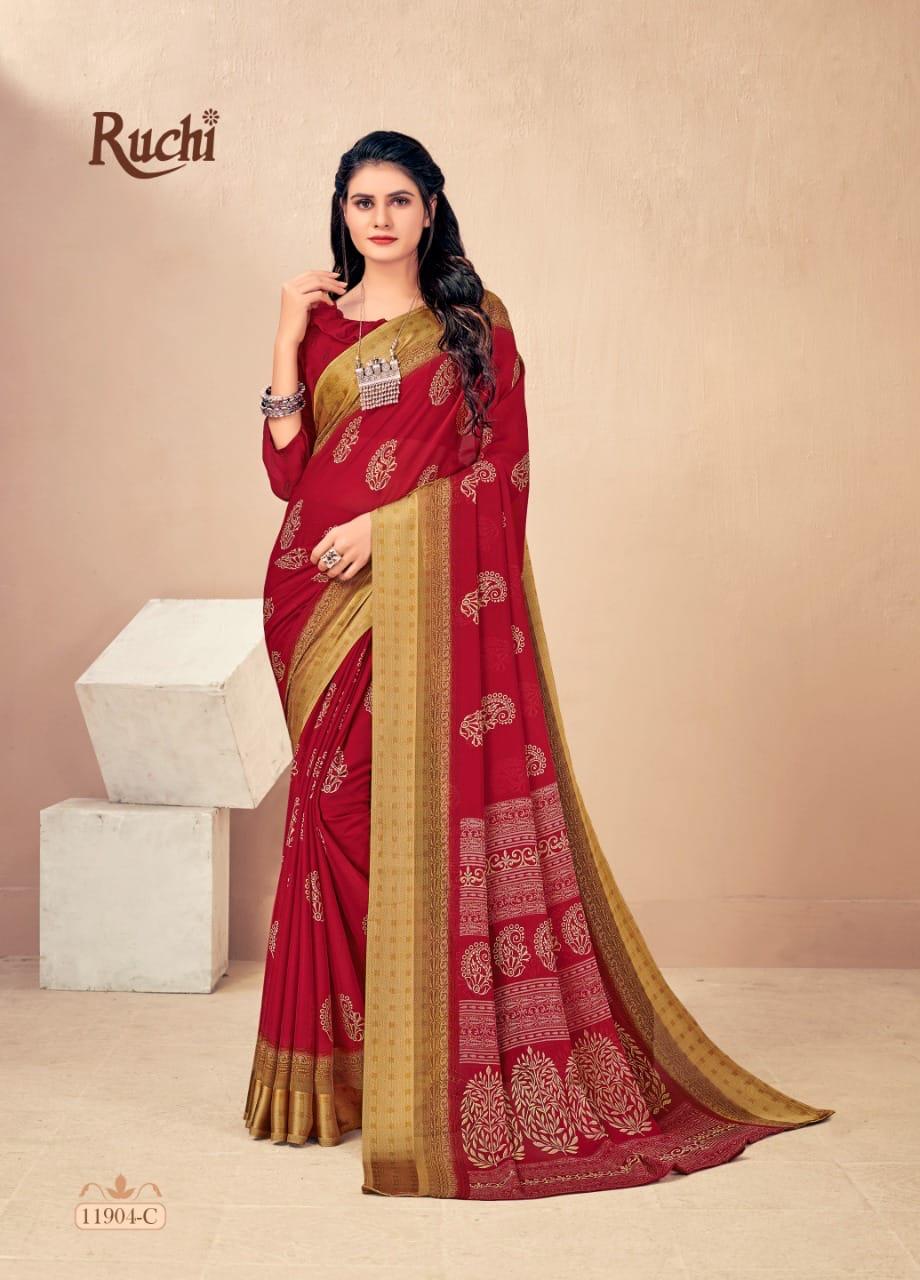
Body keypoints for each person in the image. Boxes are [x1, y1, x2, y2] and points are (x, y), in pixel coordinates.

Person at [243, 129, 833, 1200]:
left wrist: (388, 529)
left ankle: (418, 1061)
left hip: (399, 586)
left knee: (386, 814)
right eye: (362, 201)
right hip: (310, 599)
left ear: (430, 210)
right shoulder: (322, 323)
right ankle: (340, 1074)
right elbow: (288, 474)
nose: (380, 219)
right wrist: (286, 336)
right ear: (342, 211)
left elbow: (499, 471)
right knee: (326, 815)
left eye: (399, 200)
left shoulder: (473, 325)